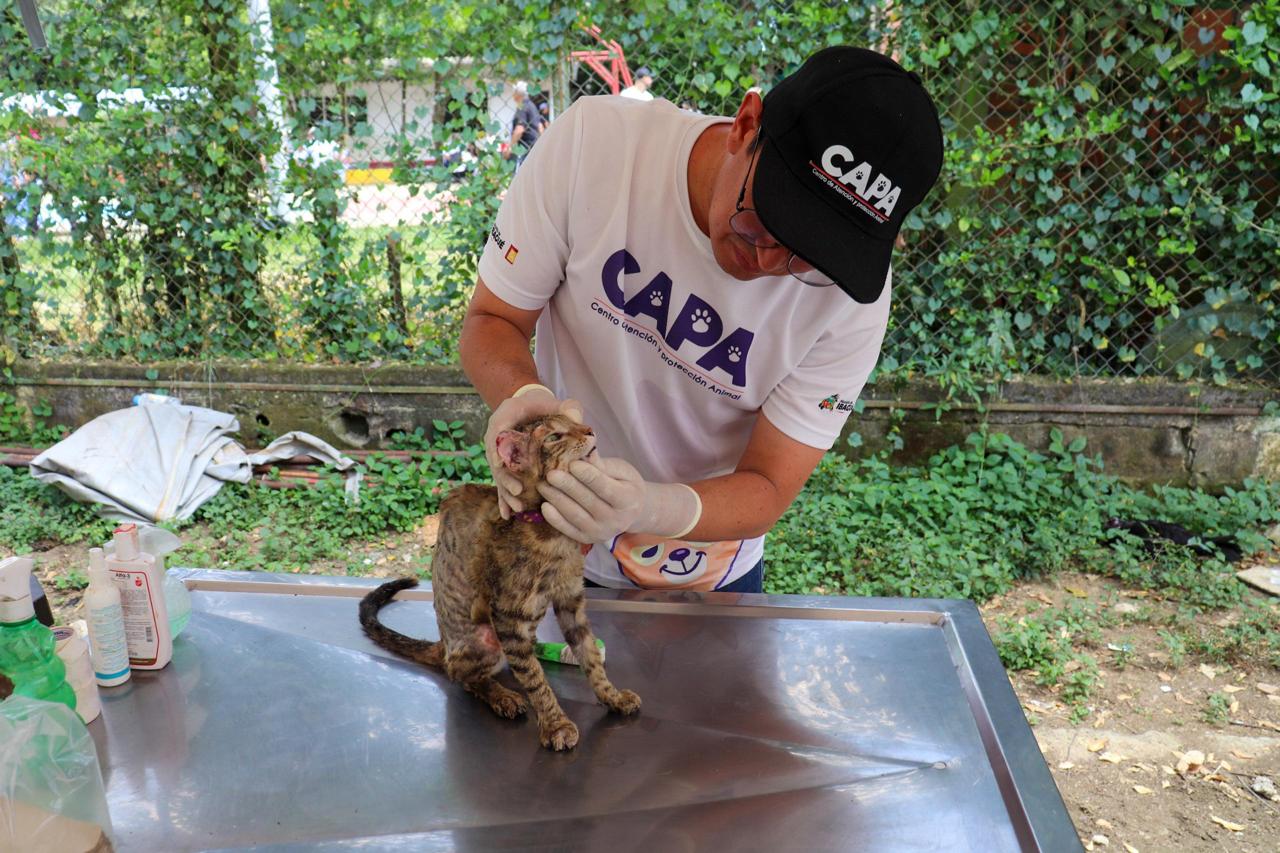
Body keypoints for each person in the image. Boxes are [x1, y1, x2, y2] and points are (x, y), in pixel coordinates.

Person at [460, 46, 944, 593]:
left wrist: (653, 507)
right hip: (550, 539)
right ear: (745, 126)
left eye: (811, 257)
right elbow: (492, 319)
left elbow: (767, 484)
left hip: (708, 564)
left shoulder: (853, 303)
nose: (767, 263)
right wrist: (521, 397)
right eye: (764, 222)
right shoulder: (595, 148)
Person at [506, 81, 543, 167]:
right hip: (534, 148)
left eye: (514, 92)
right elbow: (540, 127)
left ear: (518, 93)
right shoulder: (532, 106)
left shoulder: (522, 106)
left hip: (524, 149)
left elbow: (519, 130)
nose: (513, 94)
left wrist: (510, 148)